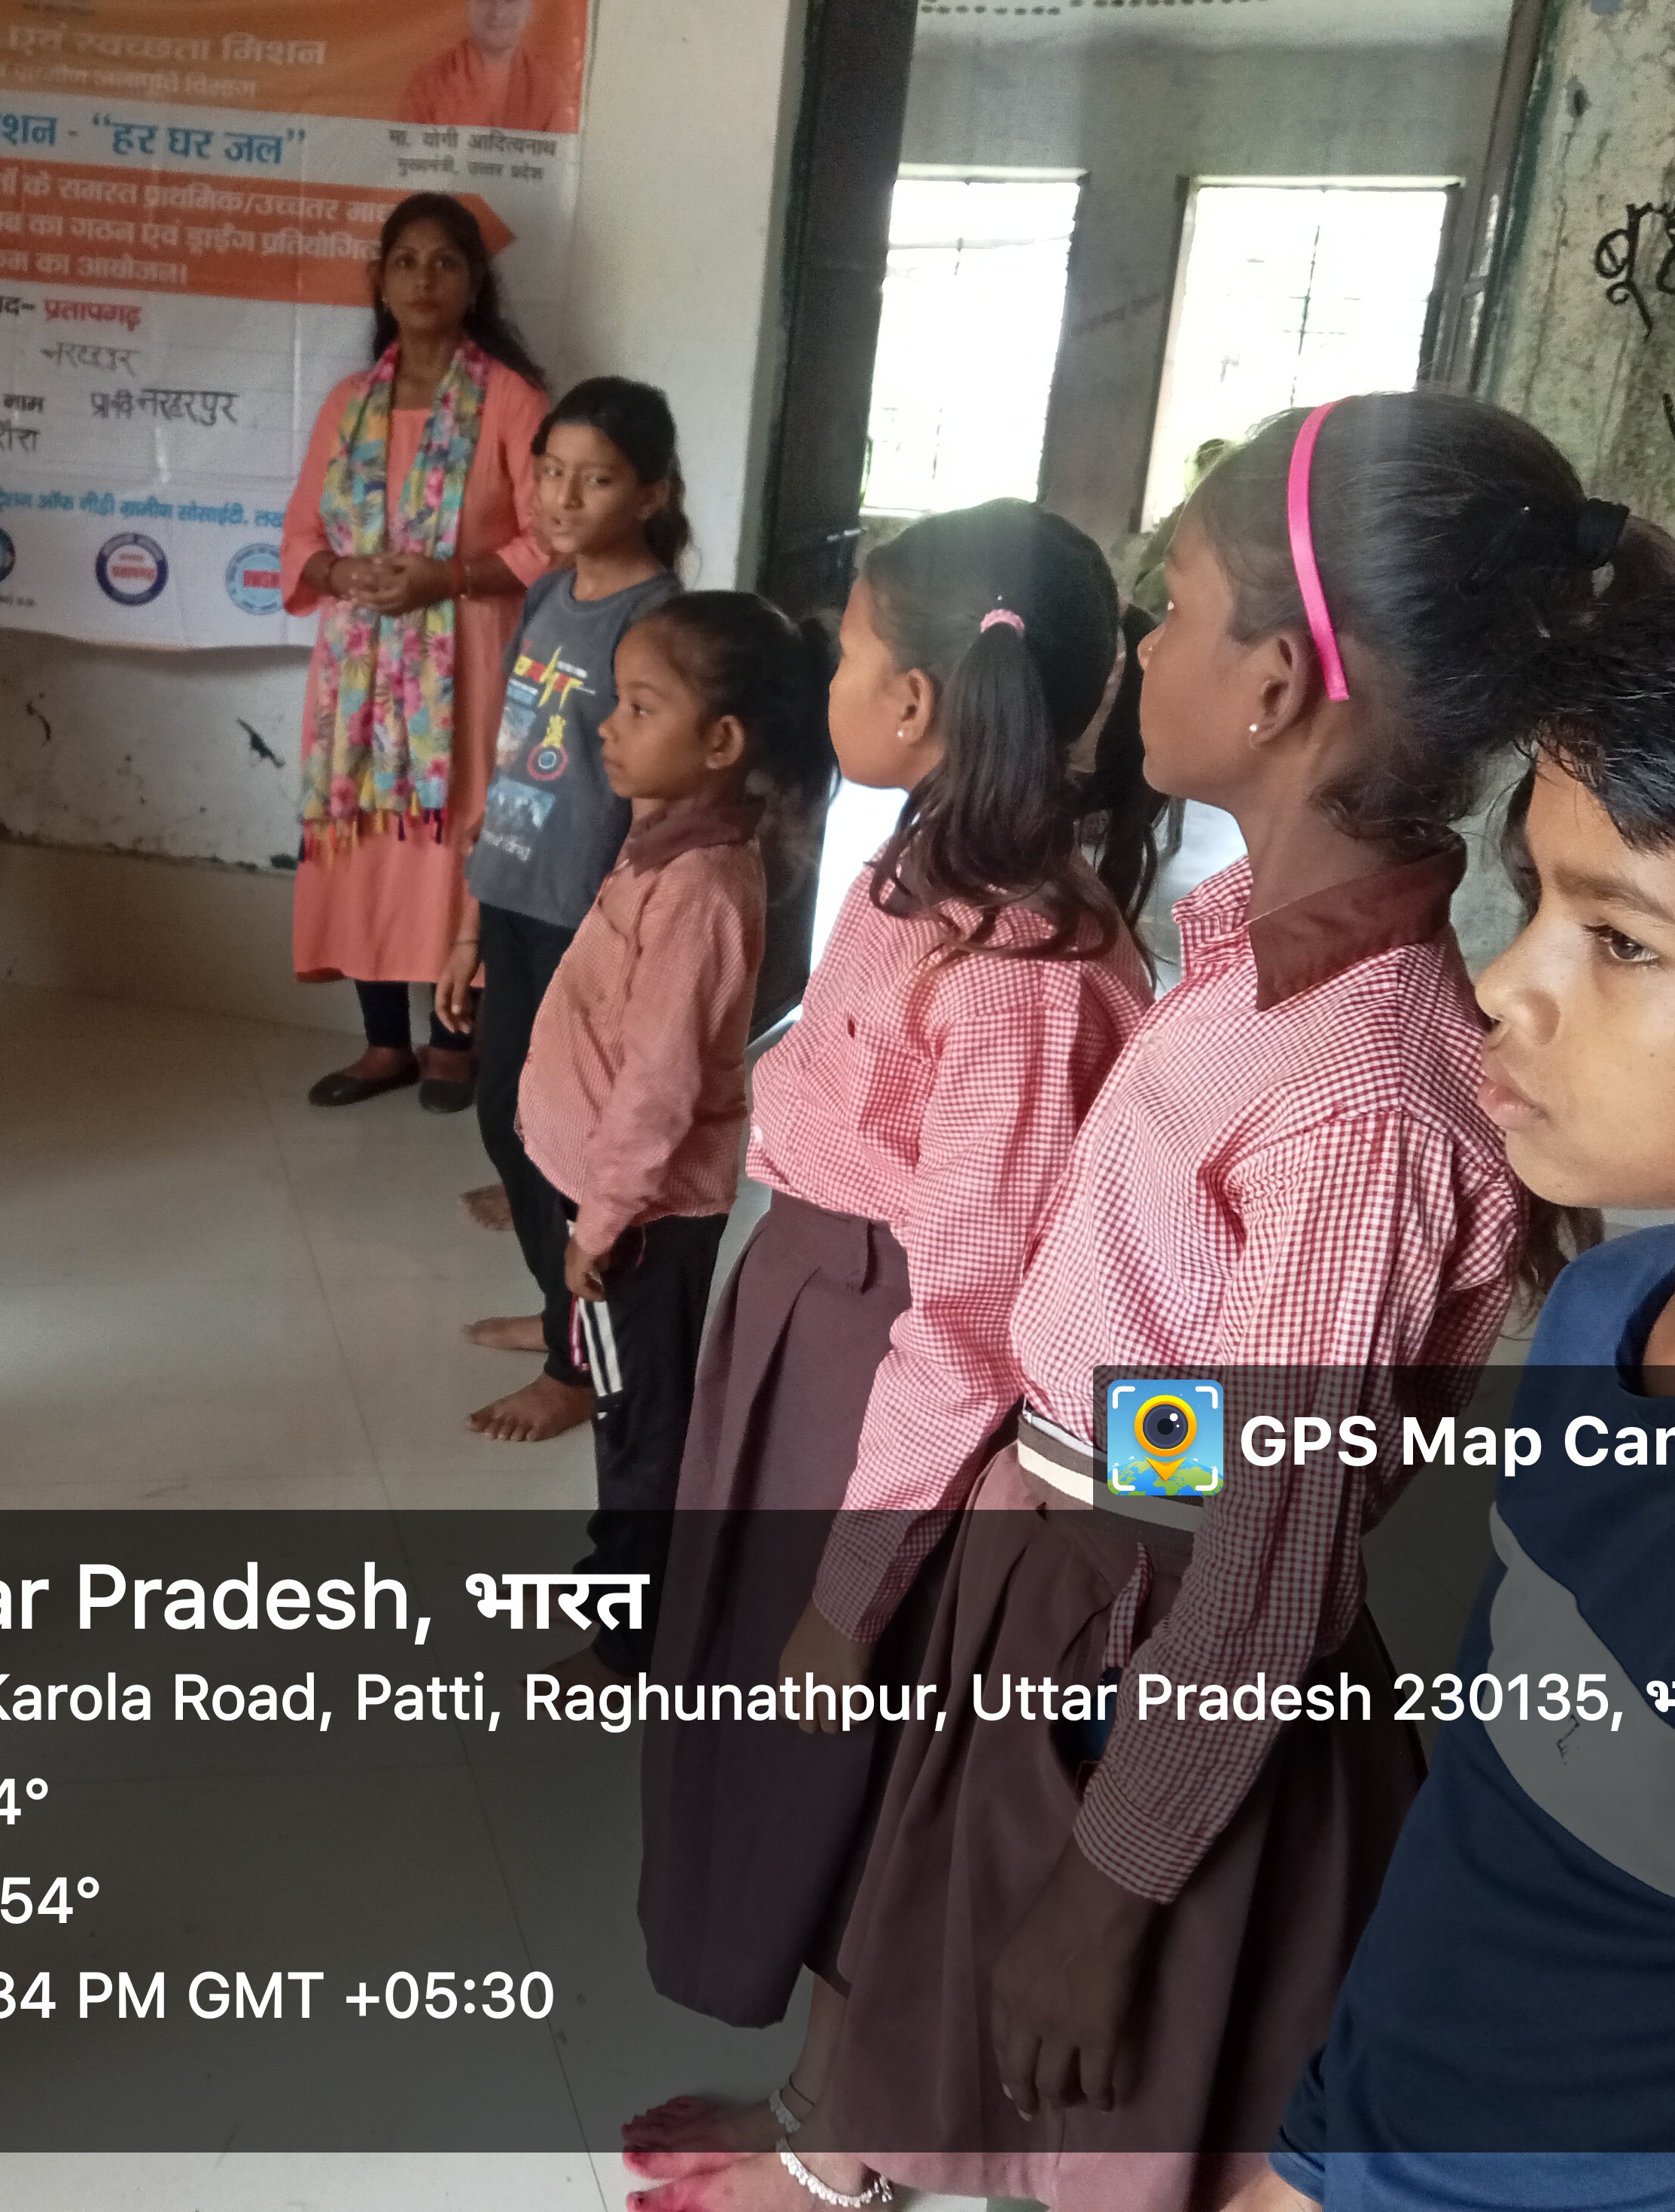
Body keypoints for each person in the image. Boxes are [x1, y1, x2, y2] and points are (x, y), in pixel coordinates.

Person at [632, 395, 1675, 2212]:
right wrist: (1041, 1473)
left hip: (1159, 1652)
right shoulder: (1248, 978)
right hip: (1081, 1580)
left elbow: (1269, 1547)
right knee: (970, 2040)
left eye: (1173, 604)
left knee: (1099, 2106)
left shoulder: (1358, 1094)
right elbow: (1190, 1396)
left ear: (1273, 683)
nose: (1139, 645)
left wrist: (1110, 1890)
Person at [1247, 530, 1675, 2212]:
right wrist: (1321, 2150)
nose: (1501, 986)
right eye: (1537, 897)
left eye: (1620, 941)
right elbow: (1501, 1809)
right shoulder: (1614, 1307)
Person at [624, 503, 1162, 2159]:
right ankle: (816, 2082)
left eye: (850, 651)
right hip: (812, 1333)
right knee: (765, 1715)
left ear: (918, 699)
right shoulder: (918, 869)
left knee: (858, 1753)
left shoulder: (1022, 966)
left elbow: (973, 1320)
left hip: (887, 1394)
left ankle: (832, 2134)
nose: (833, 677)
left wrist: (855, 1587)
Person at [516, 592, 831, 1672]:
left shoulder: (701, 888)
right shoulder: (665, 839)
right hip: (608, 1198)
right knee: (623, 1398)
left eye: (641, 707)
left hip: (637, 1221)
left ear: (721, 742)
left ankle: (631, 1626)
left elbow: (656, 1088)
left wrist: (600, 1224)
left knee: (638, 1420)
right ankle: (622, 1571)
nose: (607, 724)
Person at [444, 377, 684, 1438]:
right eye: (549, 472)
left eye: (595, 480)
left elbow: (659, 794)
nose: (561, 498)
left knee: (559, 1141)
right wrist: (466, 924)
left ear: (652, 493)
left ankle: (573, 1360)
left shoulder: (656, 622)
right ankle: (560, 1316)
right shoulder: (546, 596)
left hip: (584, 920)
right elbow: (510, 764)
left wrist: (630, 937)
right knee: (509, 1121)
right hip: (512, 896)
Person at [282, 191, 550, 1109]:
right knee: (366, 838)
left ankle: (453, 1041)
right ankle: (382, 1043)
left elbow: (551, 538)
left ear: (474, 282)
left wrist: (450, 576)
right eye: (404, 261)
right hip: (357, 672)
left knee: (453, 836)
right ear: (380, 281)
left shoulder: (510, 401)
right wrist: (336, 570)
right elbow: (300, 534)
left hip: (467, 661)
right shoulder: (347, 404)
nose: (422, 279)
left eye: (444, 262)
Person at [398, 0, 577, 133]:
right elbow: (402, 146)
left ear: (529, 9)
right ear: (469, 7)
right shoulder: (431, 81)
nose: (497, 13)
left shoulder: (548, 88)